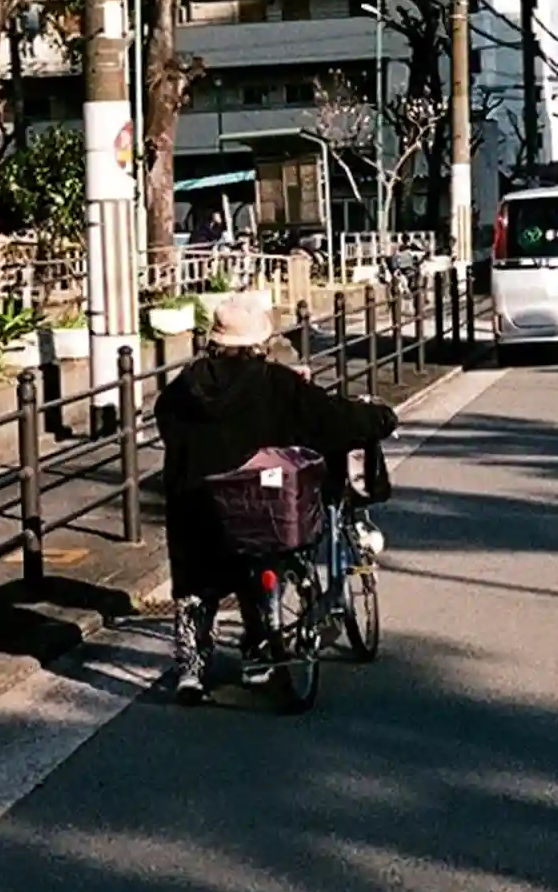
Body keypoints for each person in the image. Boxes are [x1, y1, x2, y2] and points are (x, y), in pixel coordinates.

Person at [154, 293, 398, 702]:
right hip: (257, 501)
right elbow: (330, 419)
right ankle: (258, 652)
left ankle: (191, 668)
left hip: (193, 504)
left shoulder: (183, 387)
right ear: (258, 342)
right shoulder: (274, 383)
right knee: (261, 554)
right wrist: (379, 419)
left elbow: (167, 425)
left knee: (194, 581)